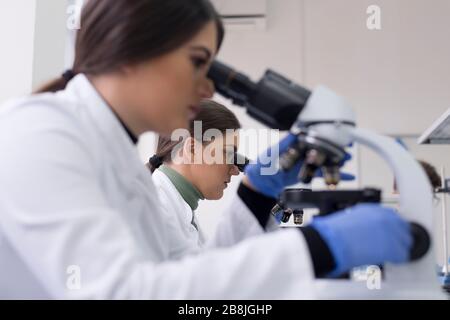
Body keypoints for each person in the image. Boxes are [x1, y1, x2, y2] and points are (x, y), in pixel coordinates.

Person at [0, 0, 413, 299]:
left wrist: (255, 193)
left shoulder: (121, 164)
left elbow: (187, 284)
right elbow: (119, 292)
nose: (210, 87)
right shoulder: (40, 131)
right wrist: (317, 248)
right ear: (129, 48)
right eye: (199, 62)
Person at [148, 99, 244, 258]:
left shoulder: (181, 209)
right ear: (192, 149)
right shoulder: (156, 206)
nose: (235, 170)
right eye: (228, 154)